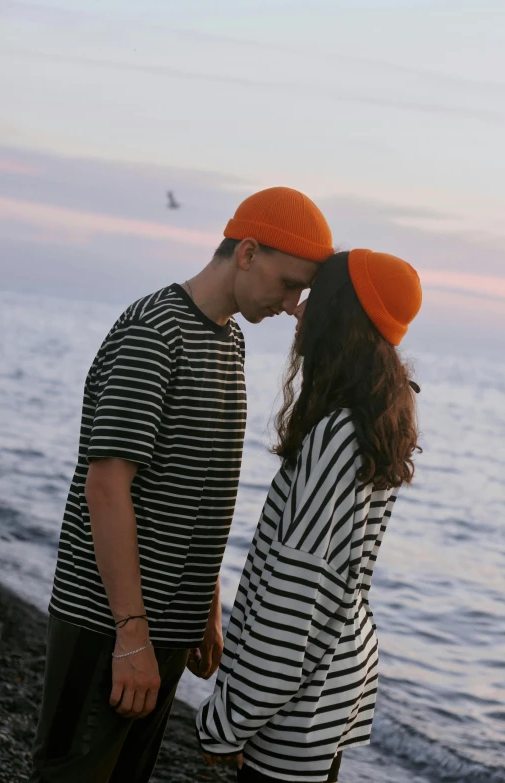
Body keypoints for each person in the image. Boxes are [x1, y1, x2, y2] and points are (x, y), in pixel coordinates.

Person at [30, 187, 334, 783]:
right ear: (246, 252)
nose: (292, 304)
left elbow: (199, 486)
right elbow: (108, 485)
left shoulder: (231, 341)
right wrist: (131, 635)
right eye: (289, 283)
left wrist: (205, 606)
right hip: (107, 623)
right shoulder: (155, 331)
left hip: (166, 625)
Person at [196, 249, 423, 783]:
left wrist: (228, 722)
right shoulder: (380, 412)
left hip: (297, 703)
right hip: (329, 683)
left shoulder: (337, 435)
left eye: (314, 299)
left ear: (341, 317)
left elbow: (295, 599)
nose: (298, 310)